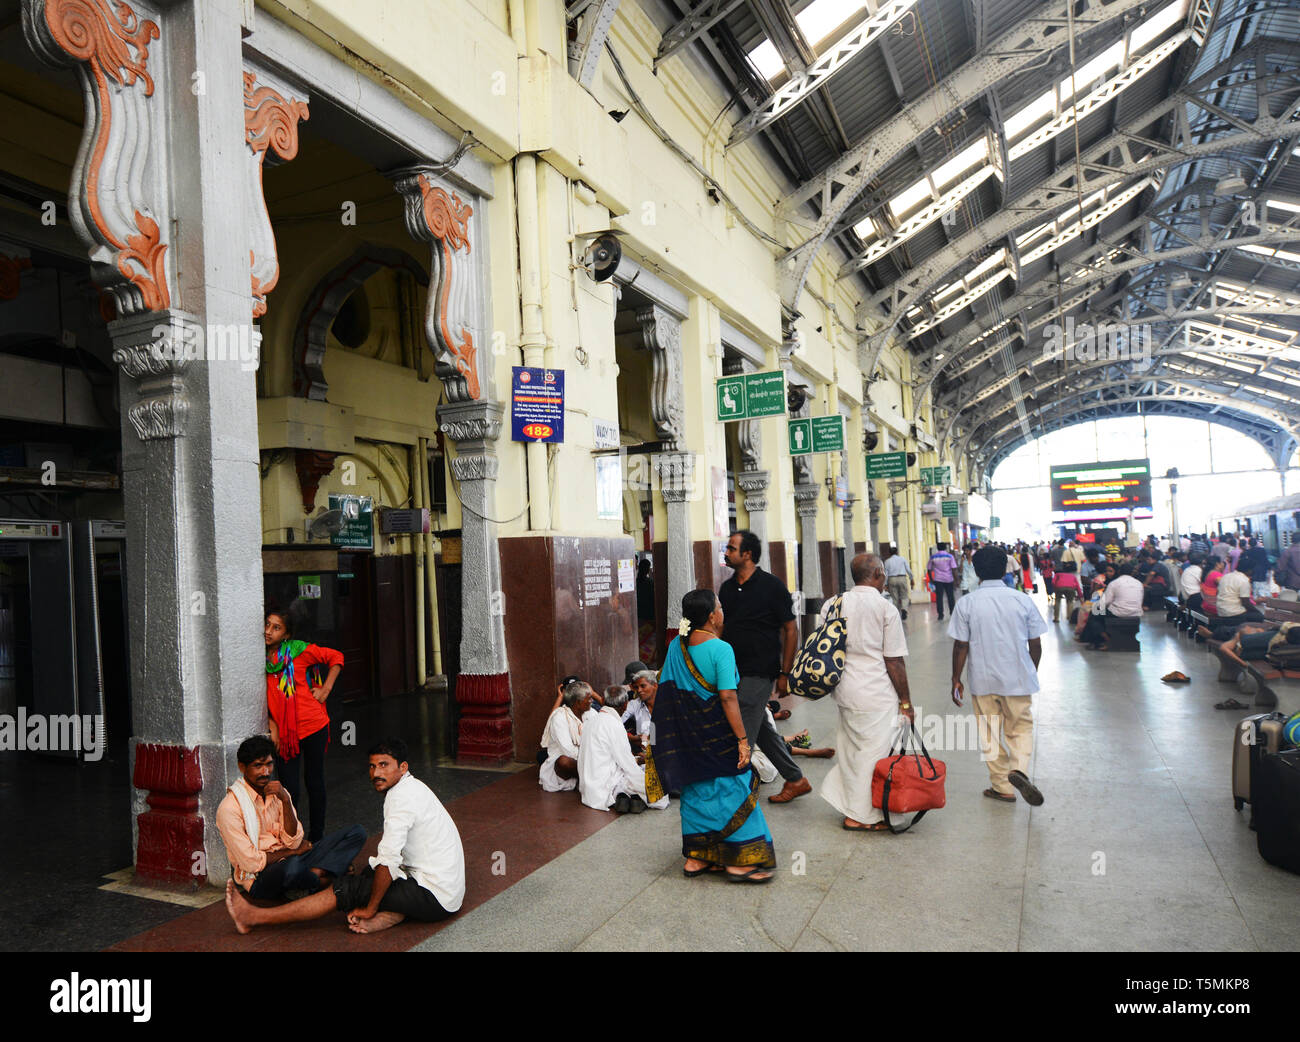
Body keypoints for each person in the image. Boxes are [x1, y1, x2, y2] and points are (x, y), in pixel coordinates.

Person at [226, 738, 465, 933]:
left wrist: (370, 908)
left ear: (403, 768)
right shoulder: (411, 787)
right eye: (372, 766)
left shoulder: (401, 800)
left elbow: (389, 860)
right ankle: (390, 916)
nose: (376, 773)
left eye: (384, 765)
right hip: (444, 888)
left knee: (347, 888)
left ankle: (254, 916)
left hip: (435, 896)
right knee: (369, 874)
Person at [648, 588, 776, 882]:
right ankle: (740, 862)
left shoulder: (675, 648)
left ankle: (697, 858)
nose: (722, 611)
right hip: (717, 733)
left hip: (688, 736)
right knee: (735, 789)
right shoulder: (721, 649)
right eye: (719, 606)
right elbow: (728, 698)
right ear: (711, 616)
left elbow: (667, 690)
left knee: (695, 789)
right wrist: (743, 740)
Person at [820, 554, 914, 832]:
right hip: (876, 694)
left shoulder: (832, 604)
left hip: (844, 690)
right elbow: (894, 660)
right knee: (875, 756)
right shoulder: (885, 609)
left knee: (851, 754)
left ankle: (852, 806)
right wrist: (906, 701)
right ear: (878, 573)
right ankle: (861, 816)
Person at [949, 546, 1047, 805]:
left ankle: (1002, 786)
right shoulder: (1022, 600)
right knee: (1020, 727)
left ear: (977, 571)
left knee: (989, 733)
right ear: (1005, 568)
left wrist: (955, 678)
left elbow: (961, 645)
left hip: (983, 679)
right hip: (1017, 678)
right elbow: (1035, 644)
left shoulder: (967, 603)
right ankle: (1020, 769)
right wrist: (1030, 670)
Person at [719, 529, 810, 804]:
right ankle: (796, 779)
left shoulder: (772, 586)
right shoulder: (726, 588)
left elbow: (791, 629)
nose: (726, 551)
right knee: (760, 730)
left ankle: (735, 797)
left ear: (747, 554)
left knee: (740, 732)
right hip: (733, 670)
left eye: (732, 548)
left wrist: (785, 673)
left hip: (760, 670)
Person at [217, 735, 366, 900]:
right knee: (292, 868)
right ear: (242, 767)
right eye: (257, 766)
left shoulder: (280, 793)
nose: (265, 772)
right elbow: (252, 863)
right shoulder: (229, 808)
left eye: (269, 764)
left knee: (356, 833)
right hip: (262, 876)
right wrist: (293, 852)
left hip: (295, 856)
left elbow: (294, 841)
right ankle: (327, 879)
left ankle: (313, 875)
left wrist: (286, 801)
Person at [264, 607, 344, 842]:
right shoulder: (259, 658)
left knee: (314, 780)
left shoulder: (300, 651)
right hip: (286, 734)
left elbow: (336, 657)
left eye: (276, 627)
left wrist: (326, 689)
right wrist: (273, 726)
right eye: (267, 624)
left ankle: (317, 837)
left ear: (286, 634)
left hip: (313, 726)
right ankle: (293, 838)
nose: (268, 631)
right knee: (289, 789)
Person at [577, 684, 667, 813]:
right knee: (656, 786)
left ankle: (627, 799)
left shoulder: (591, 720)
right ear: (625, 704)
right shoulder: (613, 724)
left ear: (603, 699)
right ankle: (633, 798)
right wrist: (641, 762)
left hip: (588, 788)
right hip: (603, 785)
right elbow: (626, 763)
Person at [539, 679, 589, 792]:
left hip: (587, 757)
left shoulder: (590, 713)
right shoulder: (559, 717)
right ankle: (589, 778)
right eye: (588, 698)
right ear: (578, 702)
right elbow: (568, 751)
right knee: (564, 762)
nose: (591, 701)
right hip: (573, 759)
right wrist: (590, 758)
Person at [927, 542, 958, 620]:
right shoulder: (950, 556)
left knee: (939, 597)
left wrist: (931, 579)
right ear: (945, 548)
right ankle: (952, 612)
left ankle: (940, 614)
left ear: (937, 548)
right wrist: (956, 580)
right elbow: (954, 568)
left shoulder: (933, 557)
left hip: (938, 580)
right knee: (950, 596)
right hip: (948, 579)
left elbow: (929, 569)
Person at [882, 544, 913, 618]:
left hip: (891, 579)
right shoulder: (902, 559)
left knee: (894, 597)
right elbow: (908, 570)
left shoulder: (887, 561)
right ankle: (904, 609)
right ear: (897, 552)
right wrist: (911, 578)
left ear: (889, 553)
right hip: (902, 578)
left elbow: (885, 574)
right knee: (904, 595)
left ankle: (895, 614)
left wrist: (885, 584)